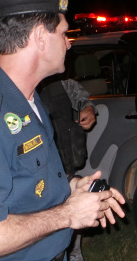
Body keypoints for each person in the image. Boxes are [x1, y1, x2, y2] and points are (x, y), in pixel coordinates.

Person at [0, 0, 125, 261]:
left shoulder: (27, 102)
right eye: (63, 33)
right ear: (40, 38)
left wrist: (71, 189)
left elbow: (25, 185)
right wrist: (68, 213)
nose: (69, 43)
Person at [39, 77, 97, 261]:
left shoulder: (61, 84)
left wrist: (88, 109)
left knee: (72, 225)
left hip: (66, 170)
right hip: (37, 180)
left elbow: (83, 99)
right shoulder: (14, 87)